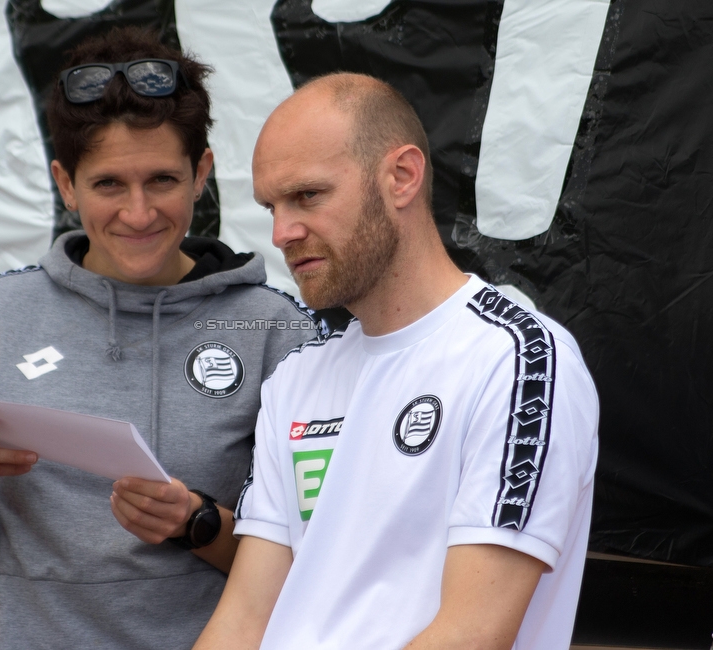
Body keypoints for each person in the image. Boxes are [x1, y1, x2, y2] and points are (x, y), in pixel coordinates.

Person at [0, 28, 320, 650]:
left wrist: (201, 524)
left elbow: (323, 561)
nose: (138, 213)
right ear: (66, 184)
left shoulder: (272, 330)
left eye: (162, 181)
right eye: (109, 184)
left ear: (202, 174)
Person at [194, 73, 599, 649]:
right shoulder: (298, 378)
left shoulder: (515, 359)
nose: (283, 232)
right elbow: (243, 621)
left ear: (401, 177)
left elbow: (472, 634)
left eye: (307, 195)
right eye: (271, 206)